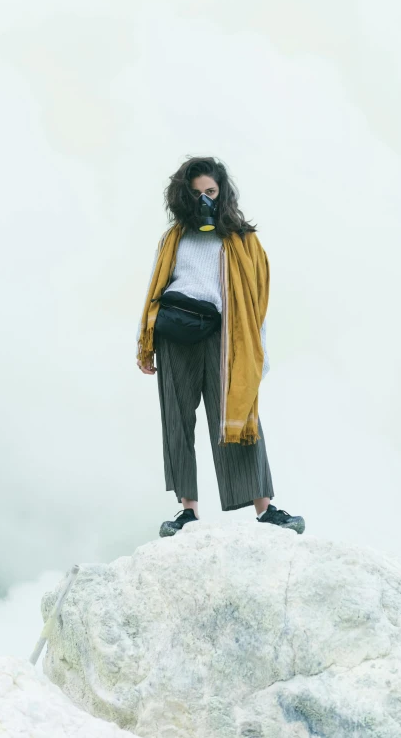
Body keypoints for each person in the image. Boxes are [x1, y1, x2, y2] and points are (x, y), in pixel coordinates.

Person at [136, 156, 305, 538]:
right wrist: (143, 342)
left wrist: (257, 354)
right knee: (177, 421)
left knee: (237, 416)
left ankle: (265, 508)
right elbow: (155, 286)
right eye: (196, 194)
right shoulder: (175, 237)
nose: (204, 200)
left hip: (223, 335)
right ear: (183, 196)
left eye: (210, 192)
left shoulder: (244, 240)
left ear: (222, 192)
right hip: (174, 333)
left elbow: (255, 303)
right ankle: (187, 512)